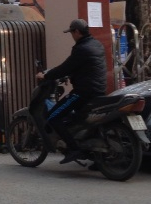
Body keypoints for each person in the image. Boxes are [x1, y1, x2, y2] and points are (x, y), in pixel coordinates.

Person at [36, 19, 107, 164]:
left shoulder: (81, 49)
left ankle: (74, 149)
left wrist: (46, 76)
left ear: (77, 32)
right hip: (98, 90)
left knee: (53, 116)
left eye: (72, 33)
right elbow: (88, 67)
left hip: (83, 93)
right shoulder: (97, 45)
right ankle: (96, 158)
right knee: (79, 119)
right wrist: (71, 75)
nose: (72, 36)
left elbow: (66, 67)